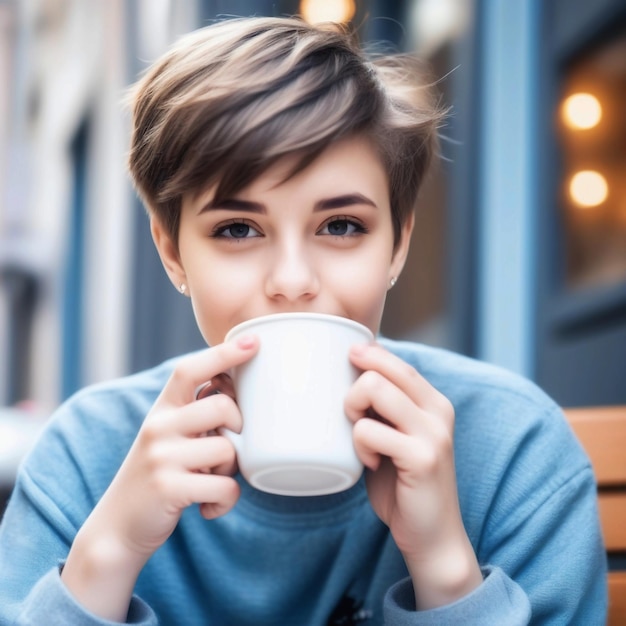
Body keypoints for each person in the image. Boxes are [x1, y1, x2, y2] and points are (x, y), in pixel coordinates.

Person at [0, 16, 606, 626]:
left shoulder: (512, 453)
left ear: (397, 246)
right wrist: (109, 555)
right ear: (172, 252)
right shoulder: (86, 459)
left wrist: (445, 567)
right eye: (237, 229)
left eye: (341, 226)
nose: (292, 280)